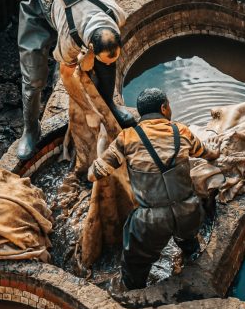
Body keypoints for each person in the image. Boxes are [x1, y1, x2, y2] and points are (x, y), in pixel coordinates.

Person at [88, 87, 209, 290]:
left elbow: (94, 173)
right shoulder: (182, 131)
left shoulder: (128, 138)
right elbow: (205, 152)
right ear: (164, 108)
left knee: (135, 265)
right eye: (169, 106)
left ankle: (134, 294)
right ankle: (191, 259)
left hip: (151, 222)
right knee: (189, 243)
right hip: (189, 210)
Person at [16, 0, 134, 160]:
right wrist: (88, 108)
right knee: (34, 78)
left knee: (106, 63)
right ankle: (31, 129)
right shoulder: (69, 41)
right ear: (90, 47)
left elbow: (105, 55)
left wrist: (96, 61)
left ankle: (110, 104)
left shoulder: (116, 14)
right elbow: (67, 73)